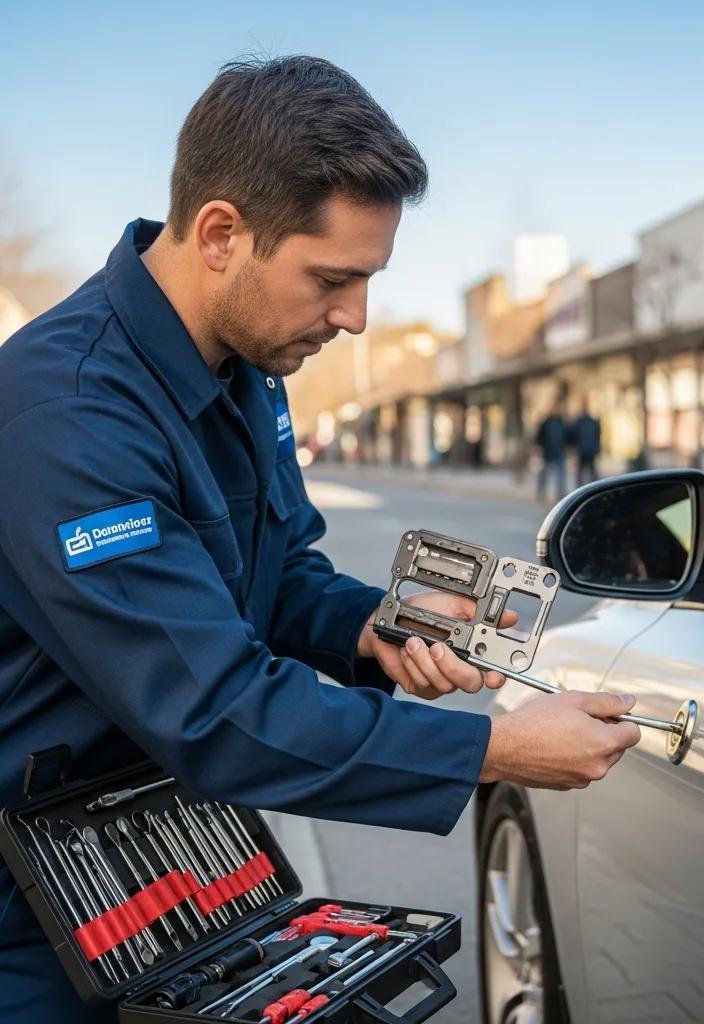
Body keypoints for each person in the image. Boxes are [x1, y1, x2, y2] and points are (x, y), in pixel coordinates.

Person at [0, 57, 640, 1023]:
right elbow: (215, 708)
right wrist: (492, 751)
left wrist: (367, 631)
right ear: (221, 234)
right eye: (332, 279)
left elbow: (281, 573)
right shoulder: (71, 414)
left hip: (165, 854)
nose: (356, 317)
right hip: (27, 899)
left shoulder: (250, 362)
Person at [535, 400, 568, 501]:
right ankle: (541, 491)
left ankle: (560, 493)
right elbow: (539, 437)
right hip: (548, 451)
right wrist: (539, 447)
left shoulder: (561, 422)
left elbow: (566, 436)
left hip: (559, 451)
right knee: (544, 473)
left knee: (561, 474)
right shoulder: (545, 422)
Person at [572, 402, 602, 488]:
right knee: (586, 472)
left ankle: (592, 487)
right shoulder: (590, 422)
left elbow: (597, 436)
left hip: (586, 451)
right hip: (586, 450)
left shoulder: (581, 422)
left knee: (587, 472)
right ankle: (593, 487)